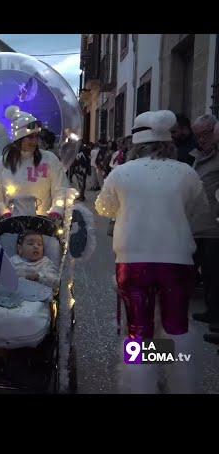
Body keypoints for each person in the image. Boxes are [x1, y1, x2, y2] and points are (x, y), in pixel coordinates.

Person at [95, 110, 211, 393]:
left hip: (133, 260)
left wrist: (128, 208)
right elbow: (200, 214)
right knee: (177, 326)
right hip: (177, 260)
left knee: (139, 330)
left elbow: (103, 207)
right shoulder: (186, 172)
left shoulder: (121, 172)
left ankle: (140, 386)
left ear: (136, 143)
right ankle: (179, 383)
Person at [0, 105, 68, 221]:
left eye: (36, 137)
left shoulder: (49, 159)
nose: (35, 141)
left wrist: (57, 210)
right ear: (19, 139)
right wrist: (2, 211)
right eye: (30, 137)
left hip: (43, 226)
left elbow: (61, 188)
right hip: (9, 228)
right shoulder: (2, 163)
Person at [190, 114, 219, 325]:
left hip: (213, 227)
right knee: (203, 273)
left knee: (213, 274)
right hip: (198, 224)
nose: (201, 140)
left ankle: (215, 316)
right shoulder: (198, 157)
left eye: (205, 135)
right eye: (197, 136)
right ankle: (211, 311)